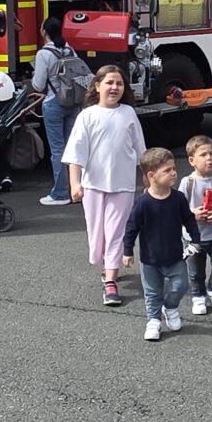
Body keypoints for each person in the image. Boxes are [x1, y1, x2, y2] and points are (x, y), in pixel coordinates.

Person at [62, 63, 144, 306]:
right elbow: (75, 153)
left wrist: (149, 178)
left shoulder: (128, 113)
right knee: (97, 235)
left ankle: (110, 282)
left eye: (119, 83)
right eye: (109, 82)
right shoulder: (87, 116)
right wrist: (75, 184)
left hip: (123, 185)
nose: (114, 87)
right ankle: (106, 263)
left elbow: (141, 150)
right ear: (97, 86)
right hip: (93, 186)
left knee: (116, 232)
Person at [120, 147, 200, 342]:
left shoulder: (178, 199)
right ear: (151, 176)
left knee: (181, 285)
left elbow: (189, 220)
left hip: (175, 256)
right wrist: (127, 251)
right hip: (150, 259)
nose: (173, 173)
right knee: (152, 293)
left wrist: (196, 239)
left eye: (174, 169)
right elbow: (131, 228)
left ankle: (170, 307)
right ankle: (153, 320)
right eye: (167, 170)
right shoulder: (143, 203)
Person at [30, 17, 92, 206]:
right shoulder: (69, 49)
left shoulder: (44, 54)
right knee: (73, 149)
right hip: (73, 102)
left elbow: (38, 84)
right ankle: (76, 190)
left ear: (44, 31)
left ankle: (61, 193)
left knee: (57, 150)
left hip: (54, 103)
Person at [180, 133, 212, 316]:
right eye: (203, 155)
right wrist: (193, 213)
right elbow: (179, 208)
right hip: (193, 237)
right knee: (195, 271)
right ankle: (198, 296)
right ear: (192, 160)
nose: (209, 158)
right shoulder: (187, 183)